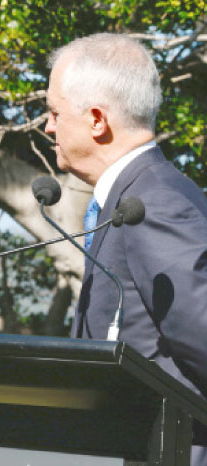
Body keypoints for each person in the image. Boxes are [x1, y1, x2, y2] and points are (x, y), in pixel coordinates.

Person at [45, 33, 207, 464]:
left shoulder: (155, 201)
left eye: (54, 112)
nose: (47, 126)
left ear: (97, 120)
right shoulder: (128, 197)